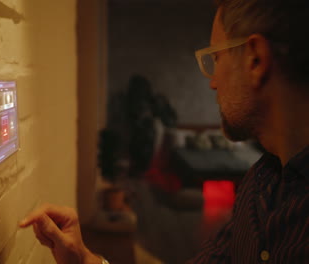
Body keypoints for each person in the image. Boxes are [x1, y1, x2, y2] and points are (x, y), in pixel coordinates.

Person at [19, 0, 309, 263]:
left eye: (216, 58)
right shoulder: (259, 184)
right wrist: (83, 259)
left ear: (255, 60)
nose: (212, 82)